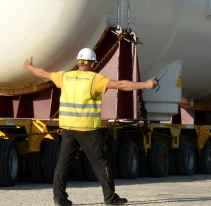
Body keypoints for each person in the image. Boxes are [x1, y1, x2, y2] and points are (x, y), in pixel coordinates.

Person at [23, 47, 158, 206]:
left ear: (78, 63)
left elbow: (43, 74)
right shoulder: (95, 79)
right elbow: (120, 84)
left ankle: (59, 199)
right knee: (101, 164)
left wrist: (28, 66)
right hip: (88, 130)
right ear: (93, 64)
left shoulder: (65, 76)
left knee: (63, 164)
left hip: (68, 129)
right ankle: (110, 198)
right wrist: (145, 85)